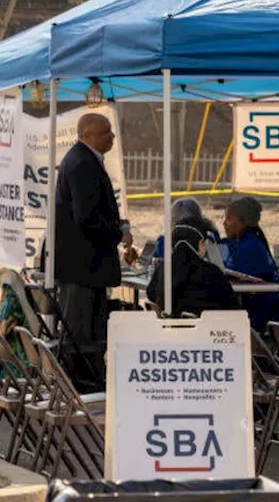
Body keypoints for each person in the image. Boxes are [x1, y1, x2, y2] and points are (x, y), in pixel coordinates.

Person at [54, 112, 133, 384]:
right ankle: (80, 387)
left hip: (87, 268)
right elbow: (86, 216)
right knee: (81, 335)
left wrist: (119, 227)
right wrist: (116, 236)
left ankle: (90, 382)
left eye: (111, 131)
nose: (112, 136)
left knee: (92, 332)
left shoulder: (85, 160)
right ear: (87, 135)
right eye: (106, 132)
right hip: (83, 268)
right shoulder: (81, 163)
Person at [147, 221, 238, 316]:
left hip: (172, 328)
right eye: (203, 243)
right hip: (210, 328)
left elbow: (150, 293)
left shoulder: (163, 269)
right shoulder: (211, 271)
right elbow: (232, 304)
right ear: (199, 244)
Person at [222, 197, 279, 331]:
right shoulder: (246, 243)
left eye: (229, 219)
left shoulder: (250, 248)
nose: (224, 224)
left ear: (243, 223)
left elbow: (234, 274)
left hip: (257, 314)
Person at [152, 198, 220, 259]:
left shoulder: (164, 242)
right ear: (199, 217)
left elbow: (152, 267)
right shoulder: (211, 236)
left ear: (173, 220)